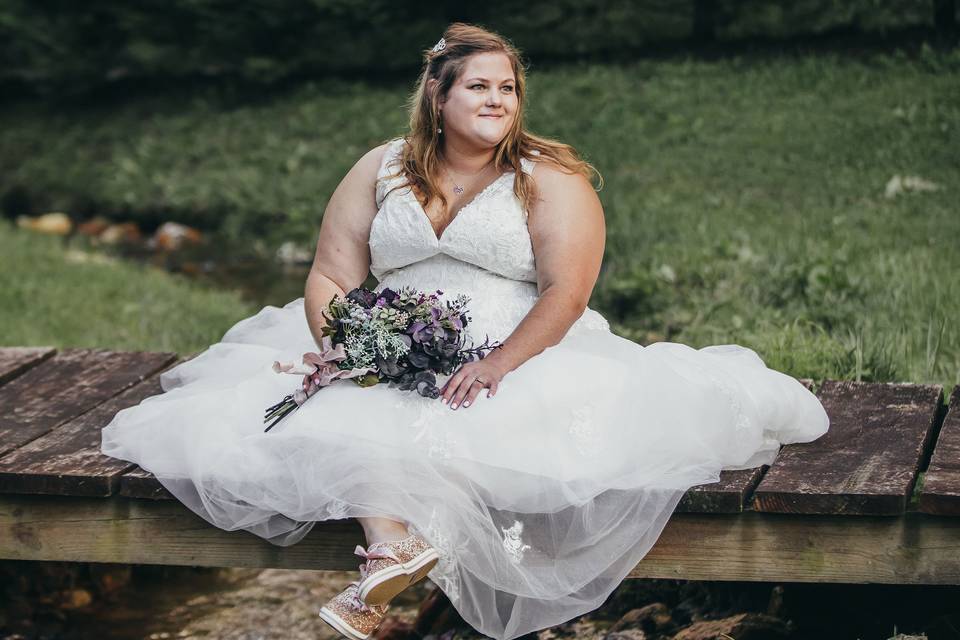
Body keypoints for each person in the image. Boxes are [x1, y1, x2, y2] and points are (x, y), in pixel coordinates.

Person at [100, 22, 830, 640]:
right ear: (439, 95)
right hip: (385, 333)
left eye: (508, 88)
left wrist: (498, 364)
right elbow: (329, 272)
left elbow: (567, 293)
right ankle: (392, 551)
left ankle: (393, 561)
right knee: (333, 402)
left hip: (517, 347)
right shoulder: (381, 168)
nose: (496, 100)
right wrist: (346, 342)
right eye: (480, 86)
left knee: (458, 421)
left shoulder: (548, 176)